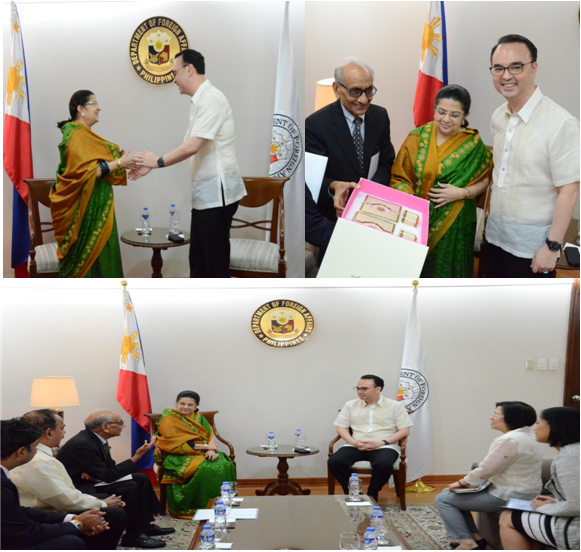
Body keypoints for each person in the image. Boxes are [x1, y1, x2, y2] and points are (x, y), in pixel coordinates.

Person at [131, 49, 247, 278]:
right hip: (206, 197)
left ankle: (218, 313)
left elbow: (194, 146)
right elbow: (189, 147)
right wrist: (153, 164)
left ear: (189, 69)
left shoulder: (211, 99)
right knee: (199, 263)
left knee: (213, 266)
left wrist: (158, 161)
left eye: (175, 73)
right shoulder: (200, 101)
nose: (173, 79)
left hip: (217, 196)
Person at [484, 34, 580, 278]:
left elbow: (569, 191)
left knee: (527, 316)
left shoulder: (561, 123)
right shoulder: (498, 116)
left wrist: (552, 247)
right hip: (495, 238)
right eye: (498, 68)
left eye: (516, 67)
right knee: (492, 310)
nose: (506, 76)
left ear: (534, 68)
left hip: (534, 249)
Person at [390, 85, 493, 277]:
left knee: (445, 277)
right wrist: (414, 204)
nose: (446, 119)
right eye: (441, 112)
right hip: (414, 221)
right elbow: (399, 176)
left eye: (454, 115)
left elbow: (485, 179)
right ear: (434, 109)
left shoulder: (473, 144)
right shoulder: (416, 137)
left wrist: (462, 192)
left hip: (455, 223)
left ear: (465, 115)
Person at [305, 58, 396, 250]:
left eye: (369, 90)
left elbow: (386, 162)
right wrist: (335, 187)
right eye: (355, 92)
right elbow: (313, 179)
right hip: (335, 217)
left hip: (373, 211)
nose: (363, 99)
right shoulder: (316, 125)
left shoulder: (380, 116)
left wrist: (369, 194)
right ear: (337, 89)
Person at [434, 402, 544, 550]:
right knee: (450, 494)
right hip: (526, 492)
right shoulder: (530, 436)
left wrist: (461, 482)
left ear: (512, 418)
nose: (491, 417)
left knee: (443, 499)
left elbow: (486, 470)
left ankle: (467, 543)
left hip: (507, 496)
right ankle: (477, 540)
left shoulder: (509, 440)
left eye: (496, 415)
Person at [10, 410, 127, 549]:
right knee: (114, 513)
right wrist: (103, 505)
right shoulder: (38, 461)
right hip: (42, 515)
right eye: (62, 428)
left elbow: (65, 493)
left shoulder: (38, 456)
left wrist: (100, 502)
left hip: (48, 507)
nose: (64, 433)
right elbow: (65, 500)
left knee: (102, 500)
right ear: (49, 432)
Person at [50, 90, 136, 278]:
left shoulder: (84, 135)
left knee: (104, 255)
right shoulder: (74, 135)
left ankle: (108, 305)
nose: (99, 108)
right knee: (90, 262)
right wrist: (119, 163)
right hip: (86, 212)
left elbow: (93, 166)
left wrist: (114, 159)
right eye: (94, 103)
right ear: (80, 109)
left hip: (98, 208)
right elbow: (86, 174)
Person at [56, 409, 172, 549]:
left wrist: (96, 473)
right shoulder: (83, 443)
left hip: (93, 479)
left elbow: (109, 468)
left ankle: (144, 526)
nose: (123, 426)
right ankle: (132, 536)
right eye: (120, 423)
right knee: (129, 487)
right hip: (78, 486)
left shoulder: (96, 439)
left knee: (141, 478)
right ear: (105, 427)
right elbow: (109, 475)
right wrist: (137, 456)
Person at [499, 407, 580, 550]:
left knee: (507, 517)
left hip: (576, 531)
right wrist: (557, 501)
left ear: (555, 426)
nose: (534, 429)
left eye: (538, 423)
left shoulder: (570, 457)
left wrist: (546, 507)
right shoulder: (574, 451)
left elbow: (576, 506)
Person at [328, 375, 413, 503]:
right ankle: (354, 493)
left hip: (385, 446)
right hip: (356, 445)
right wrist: (354, 442)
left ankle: (372, 495)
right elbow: (341, 428)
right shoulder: (350, 405)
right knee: (334, 461)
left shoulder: (395, 406)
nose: (359, 392)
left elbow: (404, 430)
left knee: (383, 464)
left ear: (378, 389)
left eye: (364, 388)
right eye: (357, 388)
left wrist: (381, 443)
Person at [155, 390, 236, 518]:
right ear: (176, 403)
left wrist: (211, 449)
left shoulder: (199, 418)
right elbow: (175, 443)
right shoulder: (168, 419)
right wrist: (206, 447)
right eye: (182, 403)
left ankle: (221, 504)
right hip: (177, 453)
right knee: (206, 468)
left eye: (190, 405)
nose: (186, 407)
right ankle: (196, 506)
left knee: (224, 464)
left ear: (196, 406)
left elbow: (209, 434)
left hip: (202, 451)